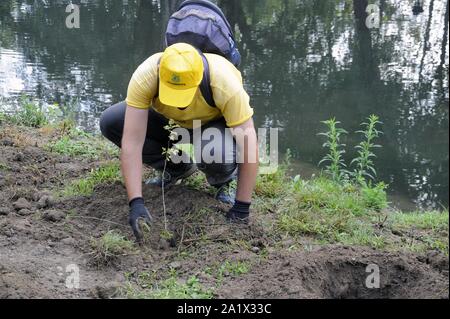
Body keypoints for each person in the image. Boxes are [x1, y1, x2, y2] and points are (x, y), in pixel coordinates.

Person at [100, 43, 259, 242]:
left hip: (210, 125)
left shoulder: (224, 83)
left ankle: (222, 181)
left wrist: (242, 207)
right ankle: (177, 167)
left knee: (214, 152)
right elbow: (132, 142)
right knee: (113, 122)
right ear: (160, 74)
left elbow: (249, 145)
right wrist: (136, 202)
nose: (178, 102)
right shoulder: (146, 75)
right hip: (170, 123)